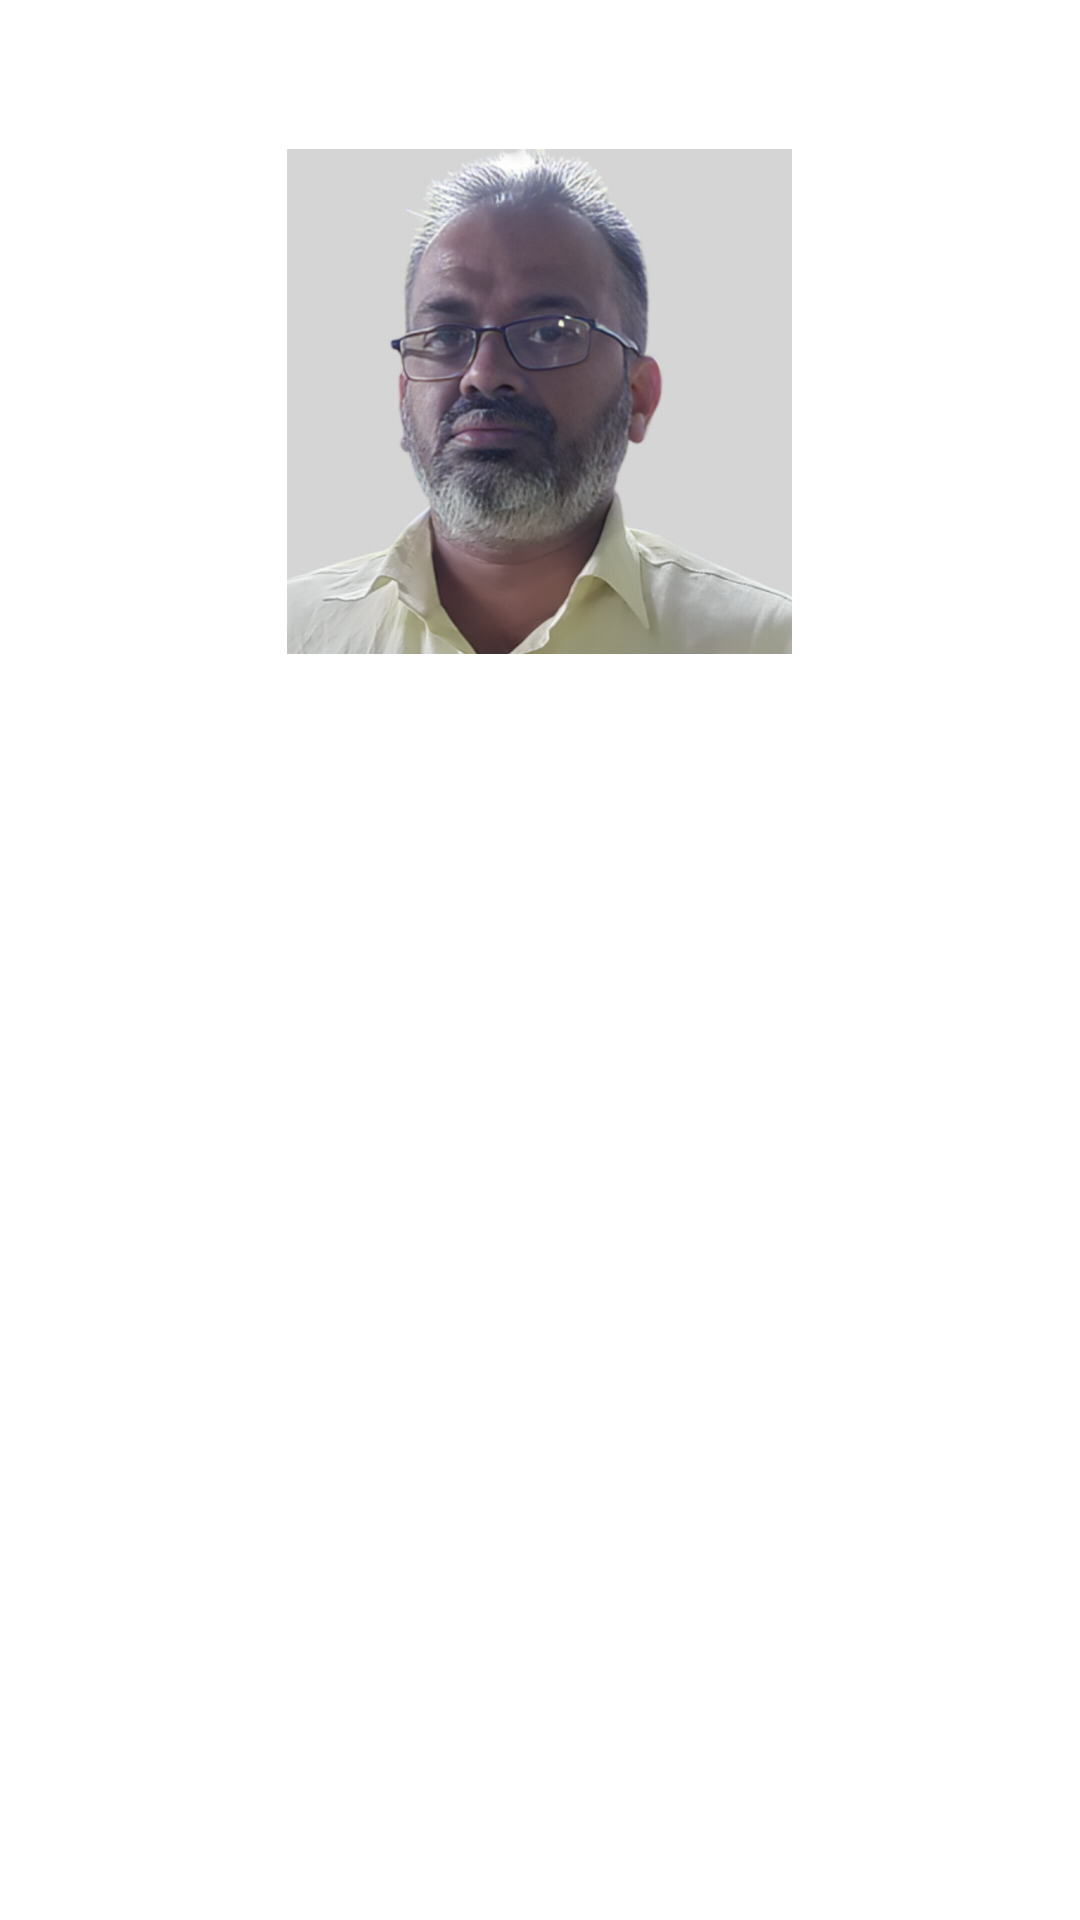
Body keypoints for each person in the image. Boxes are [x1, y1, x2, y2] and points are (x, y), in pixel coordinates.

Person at [288, 151, 791, 655]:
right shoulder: (301, 631)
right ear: (404, 399)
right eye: (446, 336)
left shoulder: (761, 639)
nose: (483, 375)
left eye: (550, 332)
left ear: (639, 395)